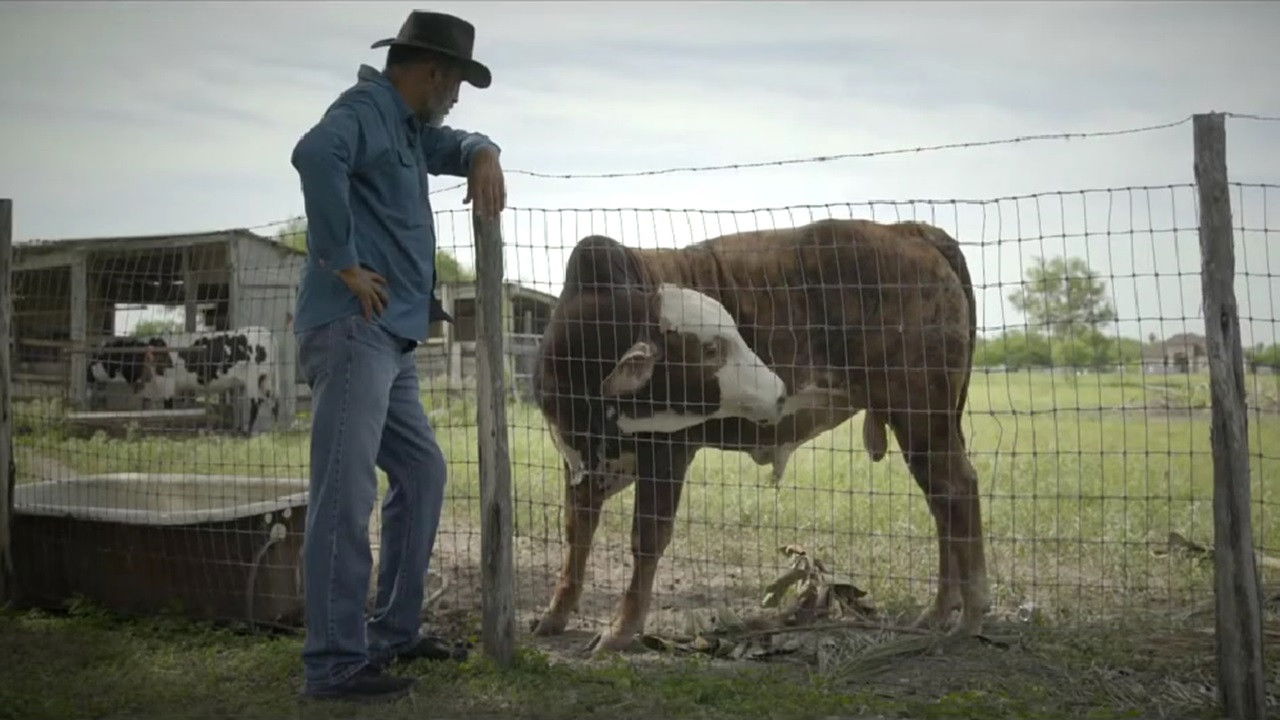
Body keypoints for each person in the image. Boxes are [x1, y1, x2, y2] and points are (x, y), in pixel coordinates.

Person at [289, 9, 505, 703]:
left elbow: (458, 142)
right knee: (344, 492)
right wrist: (342, 260)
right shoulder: (365, 111)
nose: (457, 98)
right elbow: (314, 155)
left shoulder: (408, 129)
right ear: (433, 73)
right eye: (457, 83)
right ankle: (333, 663)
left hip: (391, 338)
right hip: (354, 329)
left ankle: (392, 633)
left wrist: (484, 151)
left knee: (422, 471)